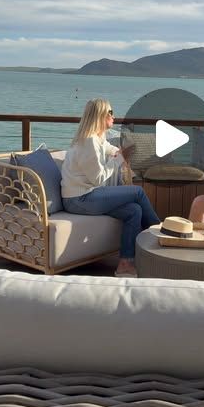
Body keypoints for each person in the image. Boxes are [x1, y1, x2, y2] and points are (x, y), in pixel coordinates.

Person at [61, 98, 160, 277]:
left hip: (87, 195)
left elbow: (109, 148)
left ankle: (125, 264)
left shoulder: (98, 138)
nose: (114, 116)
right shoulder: (88, 142)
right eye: (110, 112)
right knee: (137, 192)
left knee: (134, 210)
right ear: (101, 116)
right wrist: (119, 159)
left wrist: (119, 152)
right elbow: (98, 179)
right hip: (79, 199)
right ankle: (159, 236)